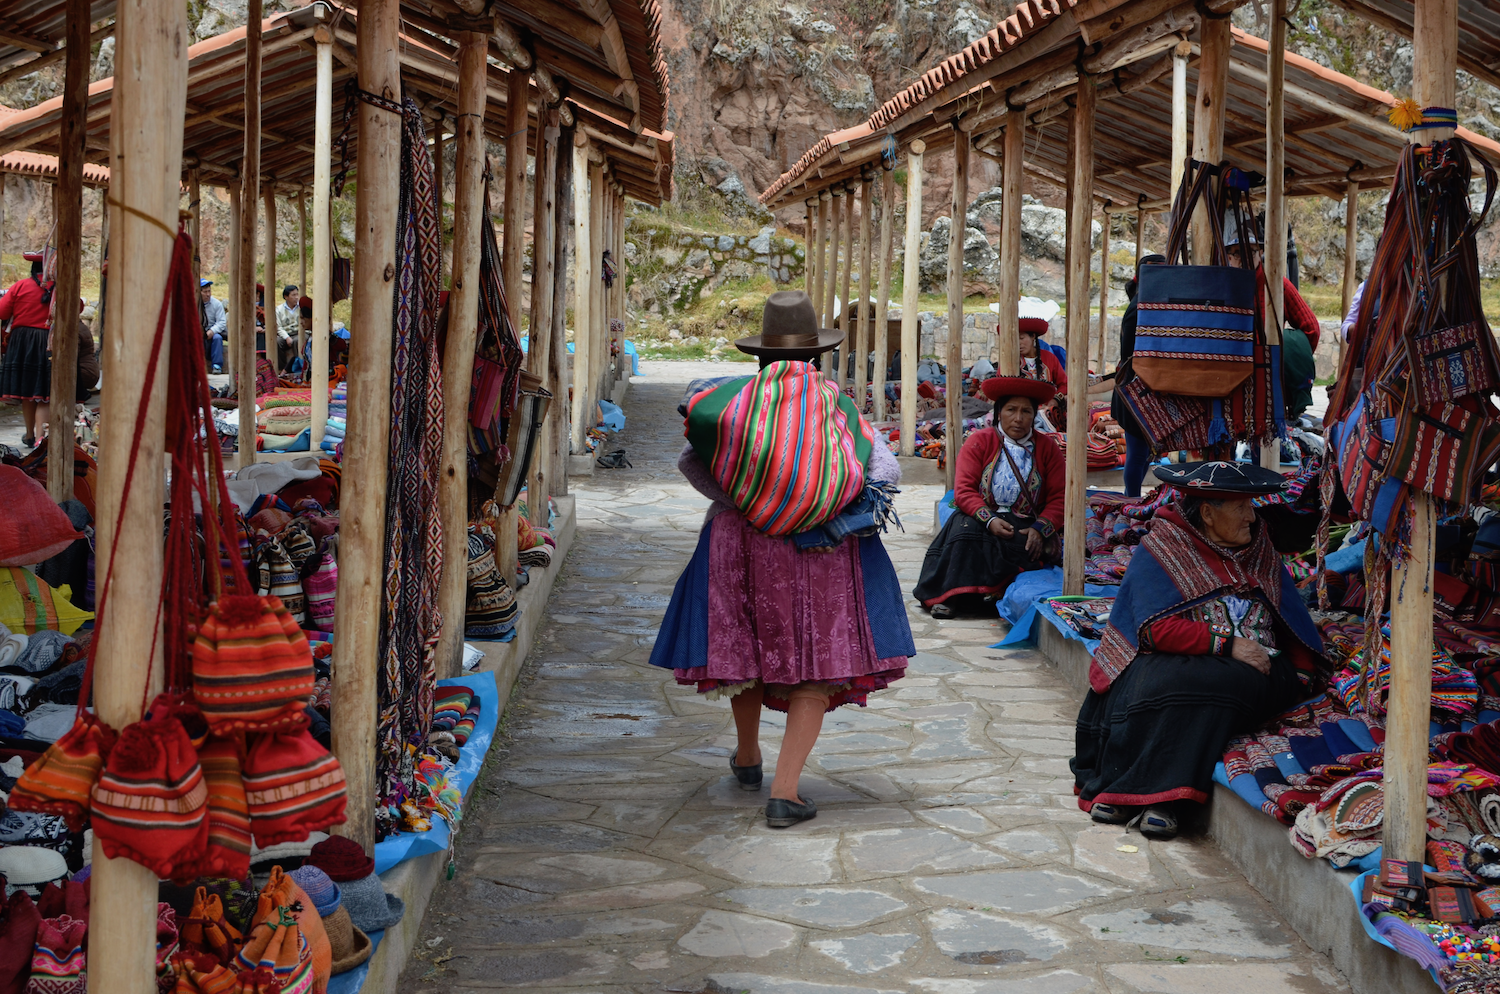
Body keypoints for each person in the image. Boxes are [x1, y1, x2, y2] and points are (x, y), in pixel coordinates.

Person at [651, 290, 914, 829]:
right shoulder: (835, 403)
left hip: (738, 544)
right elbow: (885, 471)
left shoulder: (733, 405)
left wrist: (744, 499)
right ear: (816, 353)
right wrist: (822, 502)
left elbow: (689, 460)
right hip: (821, 551)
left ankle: (748, 756)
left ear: (760, 355)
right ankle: (786, 793)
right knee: (815, 663)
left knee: (743, 653)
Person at [1072, 461, 1329, 839]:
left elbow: (1290, 618)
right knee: (1143, 679)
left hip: (1259, 670)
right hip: (1195, 660)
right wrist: (1226, 644)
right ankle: (1133, 789)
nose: (1251, 516)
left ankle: (1164, 798)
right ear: (1208, 513)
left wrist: (1302, 674)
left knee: (1208, 681)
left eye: (1251, 506)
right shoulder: (1163, 547)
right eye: (1241, 507)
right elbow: (1153, 629)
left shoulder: (1261, 551)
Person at [913, 376, 1064, 618]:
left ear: (1034, 416)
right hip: (984, 518)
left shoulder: (1047, 448)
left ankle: (990, 593)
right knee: (963, 529)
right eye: (1011, 410)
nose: (1018, 418)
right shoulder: (979, 441)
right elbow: (963, 490)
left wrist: (1040, 528)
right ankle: (952, 596)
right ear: (998, 412)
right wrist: (990, 520)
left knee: (1022, 544)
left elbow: (1060, 497)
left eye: (1026, 411)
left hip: (1025, 525)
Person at [1113, 254, 1168, 497]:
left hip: (1143, 388)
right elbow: (1130, 356)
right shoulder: (1138, 310)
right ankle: (1131, 500)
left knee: (1144, 451)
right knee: (1137, 452)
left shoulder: (1146, 304)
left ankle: (1132, 497)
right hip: (1135, 390)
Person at [0, 253, 54, 447]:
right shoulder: (59, 288)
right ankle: (42, 436)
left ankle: (30, 434)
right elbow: (78, 307)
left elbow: (2, 311)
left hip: (22, 342)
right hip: (50, 340)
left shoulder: (21, 286)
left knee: (28, 391)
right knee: (46, 392)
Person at [199, 279, 227, 372]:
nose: (208, 294)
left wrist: (212, 331)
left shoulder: (216, 304)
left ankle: (217, 365)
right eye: (205, 292)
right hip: (198, 330)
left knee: (217, 338)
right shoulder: (194, 303)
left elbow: (222, 322)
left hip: (212, 330)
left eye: (209, 291)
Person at [275, 284, 300, 371]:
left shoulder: (301, 307)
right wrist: (287, 337)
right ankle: (282, 369)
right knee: (277, 342)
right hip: (286, 333)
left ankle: (299, 367)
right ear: (286, 297)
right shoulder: (279, 309)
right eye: (293, 295)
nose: (296, 297)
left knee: (297, 341)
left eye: (297, 294)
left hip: (299, 333)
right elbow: (278, 327)